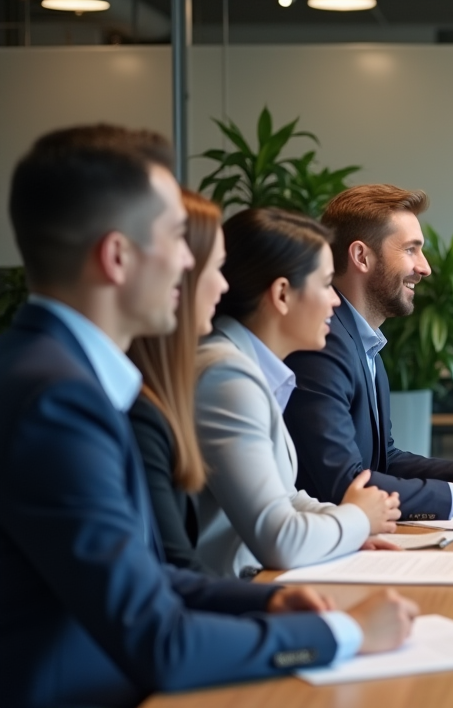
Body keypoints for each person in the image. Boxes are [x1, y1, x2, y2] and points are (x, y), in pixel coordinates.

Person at [0, 125, 417, 708]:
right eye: (175, 238)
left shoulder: (61, 376)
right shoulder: (57, 399)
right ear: (117, 257)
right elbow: (156, 641)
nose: (191, 264)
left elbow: (150, 577)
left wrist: (266, 602)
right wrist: (340, 633)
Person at [285, 184, 453, 521]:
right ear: (361, 257)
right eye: (411, 250)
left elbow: (385, 459)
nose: (425, 267)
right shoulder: (323, 344)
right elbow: (342, 483)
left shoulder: (363, 343)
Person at [194, 208, 402, 579]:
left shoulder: (247, 367)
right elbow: (280, 539)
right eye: (325, 284)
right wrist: (356, 519)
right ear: (282, 294)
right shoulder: (227, 377)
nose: (336, 301)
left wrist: (351, 526)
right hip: (232, 596)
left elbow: (286, 499)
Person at [127, 190, 228, 571]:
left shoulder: (164, 394)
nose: (224, 285)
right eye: (215, 267)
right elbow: (174, 570)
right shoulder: (136, 409)